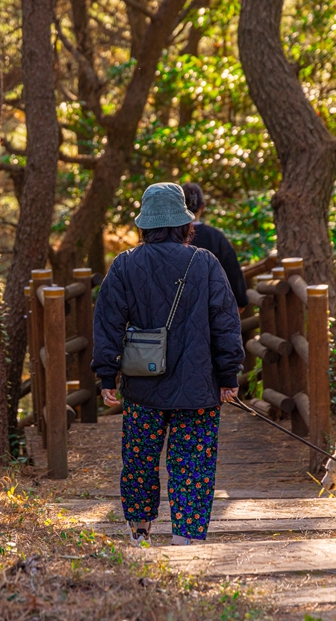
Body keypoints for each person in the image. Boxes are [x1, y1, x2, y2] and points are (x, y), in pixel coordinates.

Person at [92, 182, 245, 547]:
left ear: (145, 224)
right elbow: (226, 321)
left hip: (143, 384)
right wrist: (228, 375)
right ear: (184, 224)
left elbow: (108, 321)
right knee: (193, 463)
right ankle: (185, 537)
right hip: (199, 387)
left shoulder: (125, 264)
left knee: (140, 460)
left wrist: (105, 374)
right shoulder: (205, 262)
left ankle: (140, 532)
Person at [182, 182, 248, 309]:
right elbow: (231, 270)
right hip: (210, 309)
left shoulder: (168, 237)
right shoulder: (215, 237)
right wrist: (240, 300)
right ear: (202, 206)